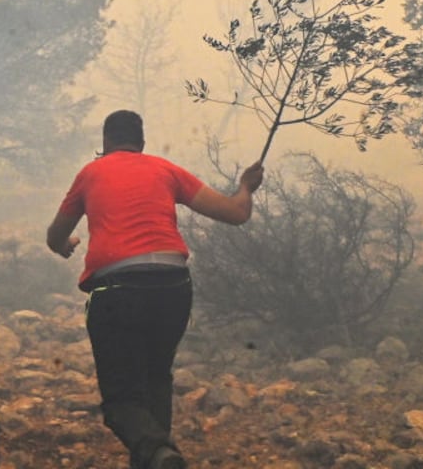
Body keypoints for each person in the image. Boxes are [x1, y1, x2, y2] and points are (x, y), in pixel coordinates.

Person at [45, 109, 263, 469]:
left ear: (105, 142)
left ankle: (159, 453)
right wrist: (245, 187)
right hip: (173, 286)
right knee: (155, 378)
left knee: (121, 400)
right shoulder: (165, 170)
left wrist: (65, 244)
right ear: (142, 143)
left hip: (116, 289)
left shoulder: (90, 173)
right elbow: (236, 213)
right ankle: (159, 458)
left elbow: (54, 235)